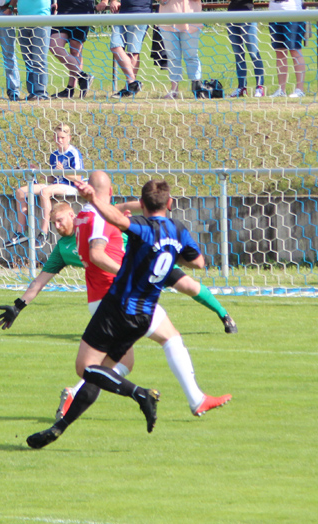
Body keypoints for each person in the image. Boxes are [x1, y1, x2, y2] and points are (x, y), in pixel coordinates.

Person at [0, 195, 233, 423]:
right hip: (123, 293)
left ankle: (223, 316)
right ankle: (196, 399)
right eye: (54, 223)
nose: (57, 226)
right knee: (170, 336)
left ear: (73, 214)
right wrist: (19, 306)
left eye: (60, 220)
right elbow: (46, 278)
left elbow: (123, 209)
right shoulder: (74, 237)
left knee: (123, 362)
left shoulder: (91, 217)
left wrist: (149, 206)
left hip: (128, 275)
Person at [26, 175, 212, 449]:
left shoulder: (140, 227)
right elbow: (198, 262)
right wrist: (170, 250)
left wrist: (92, 200)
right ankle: (59, 427)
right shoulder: (177, 229)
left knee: (86, 369)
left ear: (142, 204)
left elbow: (116, 219)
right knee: (114, 366)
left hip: (117, 307)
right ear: (170, 203)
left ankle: (140, 394)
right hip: (145, 313)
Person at [6, 124, 83, 248]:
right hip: (56, 184)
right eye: (57, 137)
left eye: (63, 137)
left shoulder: (73, 153)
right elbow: (52, 178)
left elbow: (78, 178)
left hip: (70, 186)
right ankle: (21, 232)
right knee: (21, 192)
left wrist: (63, 172)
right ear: (53, 137)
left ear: (69, 138)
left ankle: (43, 233)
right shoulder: (54, 155)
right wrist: (38, 171)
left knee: (45, 192)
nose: (60, 140)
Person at [49, 0, 96, 99]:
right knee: (54, 45)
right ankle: (82, 76)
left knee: (75, 51)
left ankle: (70, 89)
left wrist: (104, 2)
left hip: (81, 12)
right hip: (63, 13)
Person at [157, 0, 203, 100]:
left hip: (191, 18)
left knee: (191, 55)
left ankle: (197, 89)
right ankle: (174, 90)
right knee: (172, 56)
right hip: (167, 18)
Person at [101, 0, 147, 99]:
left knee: (133, 51)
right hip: (122, 12)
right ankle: (132, 83)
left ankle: (129, 88)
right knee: (115, 45)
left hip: (140, 12)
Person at [10, 0, 50, 100]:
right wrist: (10, 7)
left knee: (39, 58)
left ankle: (41, 93)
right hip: (23, 20)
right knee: (28, 60)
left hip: (41, 19)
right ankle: (32, 92)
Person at [226, 0, 265, 98]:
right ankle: (241, 87)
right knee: (238, 55)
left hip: (247, 15)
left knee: (254, 53)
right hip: (231, 16)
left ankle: (259, 87)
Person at [268, 0, 306, 98]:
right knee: (280, 52)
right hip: (273, 14)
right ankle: (281, 90)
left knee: (295, 51)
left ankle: (300, 89)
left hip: (293, 14)